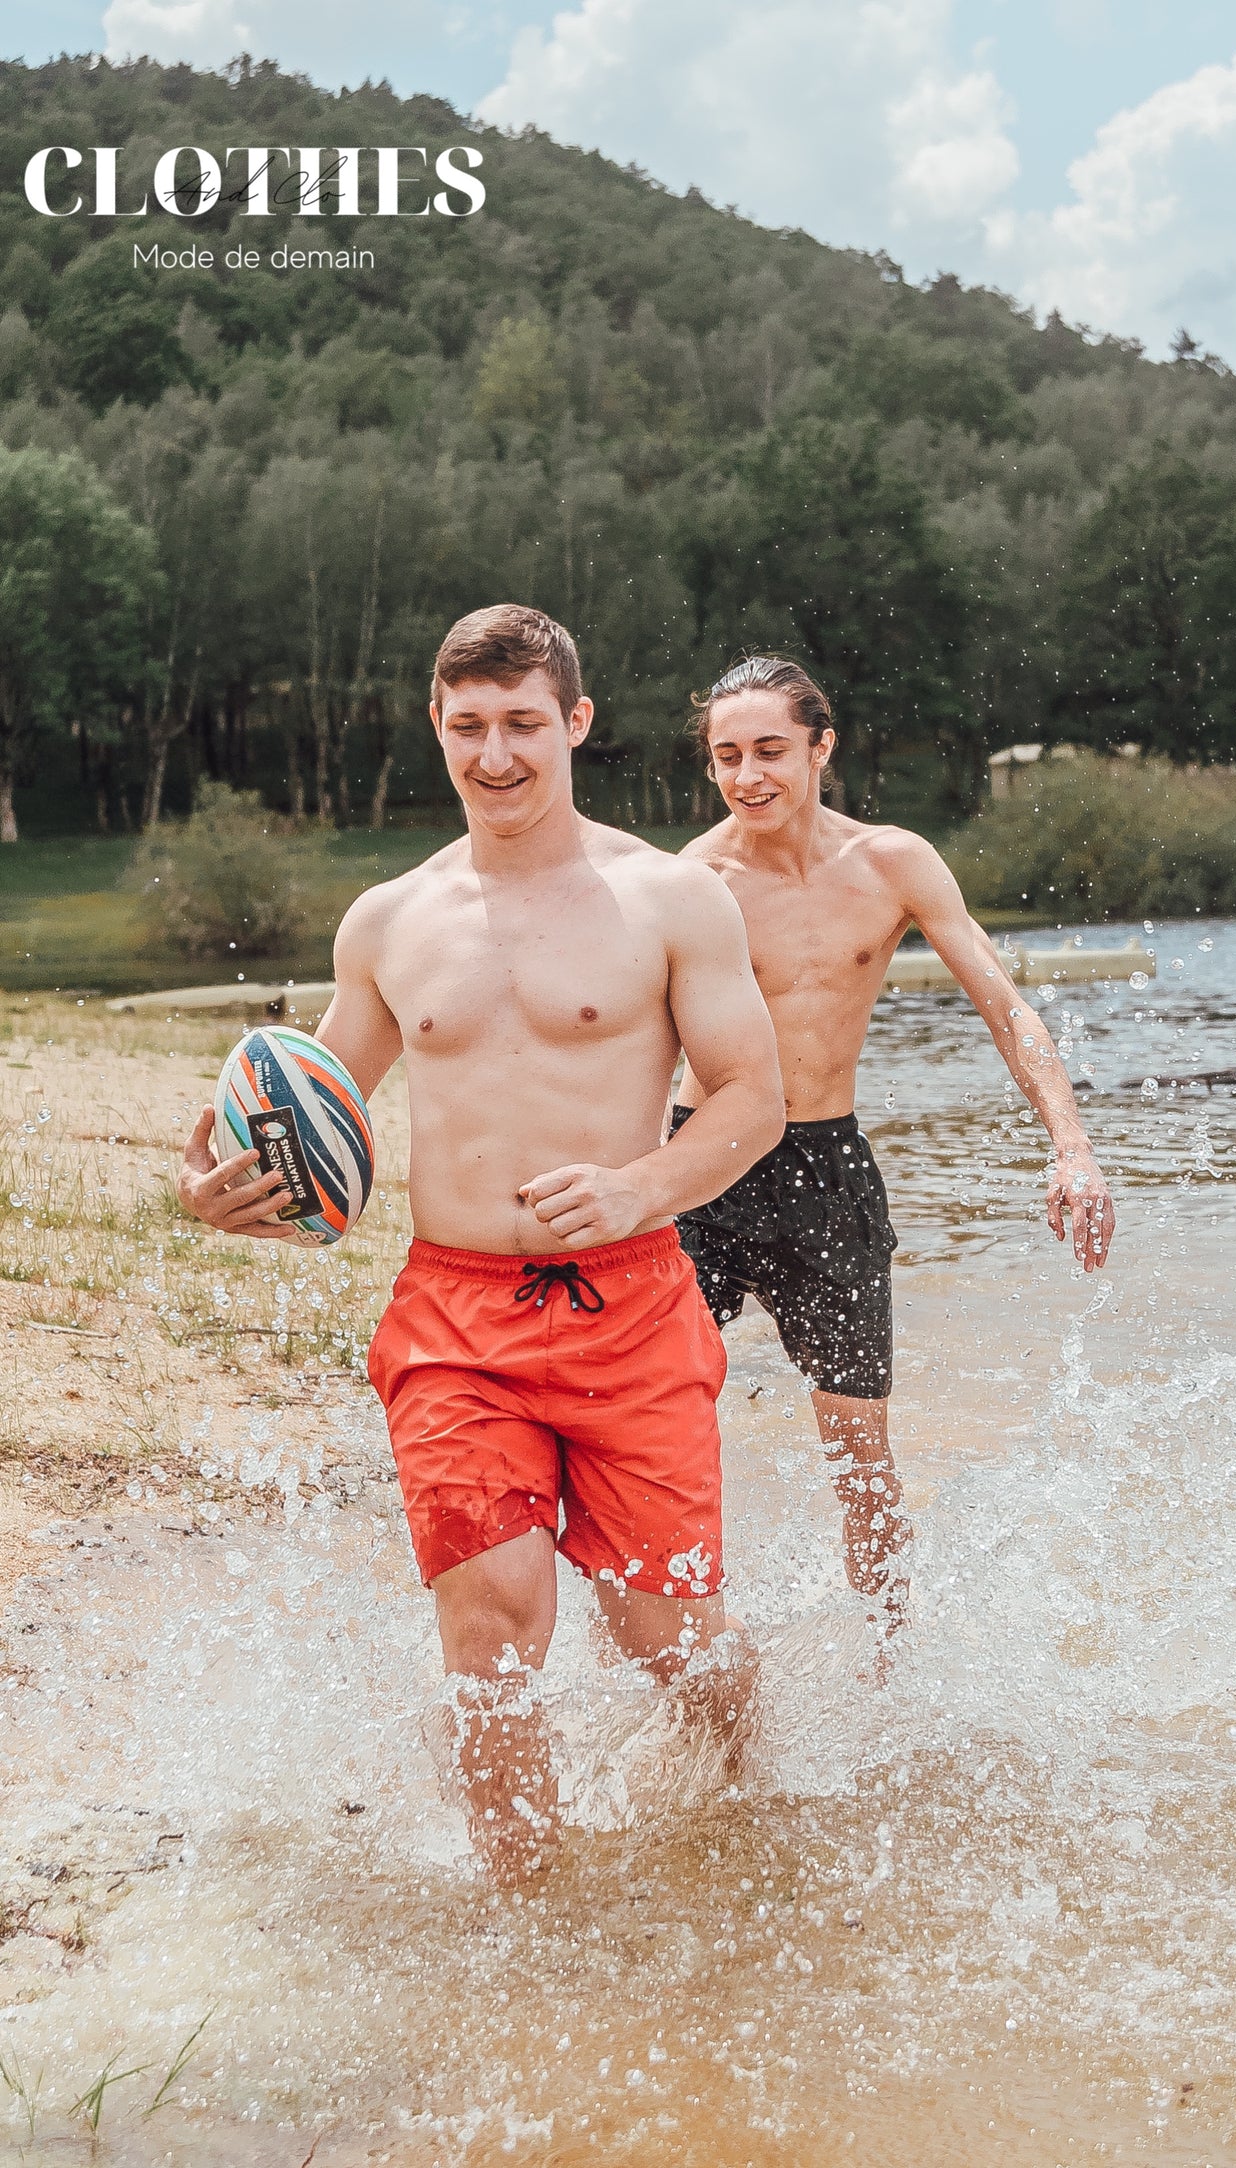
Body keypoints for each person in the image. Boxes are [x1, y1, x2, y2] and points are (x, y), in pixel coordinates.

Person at [178, 605, 786, 1884]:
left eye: (522, 723)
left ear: (574, 723)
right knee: (491, 1619)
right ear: (436, 729)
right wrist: (219, 1187)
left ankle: (755, 1802)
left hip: (630, 1301)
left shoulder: (669, 895)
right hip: (454, 1318)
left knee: (663, 1631)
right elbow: (306, 1108)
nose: (494, 753)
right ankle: (528, 1909)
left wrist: (639, 1189)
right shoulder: (389, 922)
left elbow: (750, 1099)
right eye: (467, 727)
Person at [674, 655, 1116, 1643]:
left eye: (770, 751)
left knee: (859, 1452)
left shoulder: (892, 863)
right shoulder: (688, 883)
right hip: (698, 1167)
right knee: (665, 1430)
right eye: (727, 756)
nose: (748, 776)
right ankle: (694, 1657)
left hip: (824, 1170)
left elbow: (1003, 1008)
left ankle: (888, 1670)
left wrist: (1069, 1145)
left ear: (821, 747)